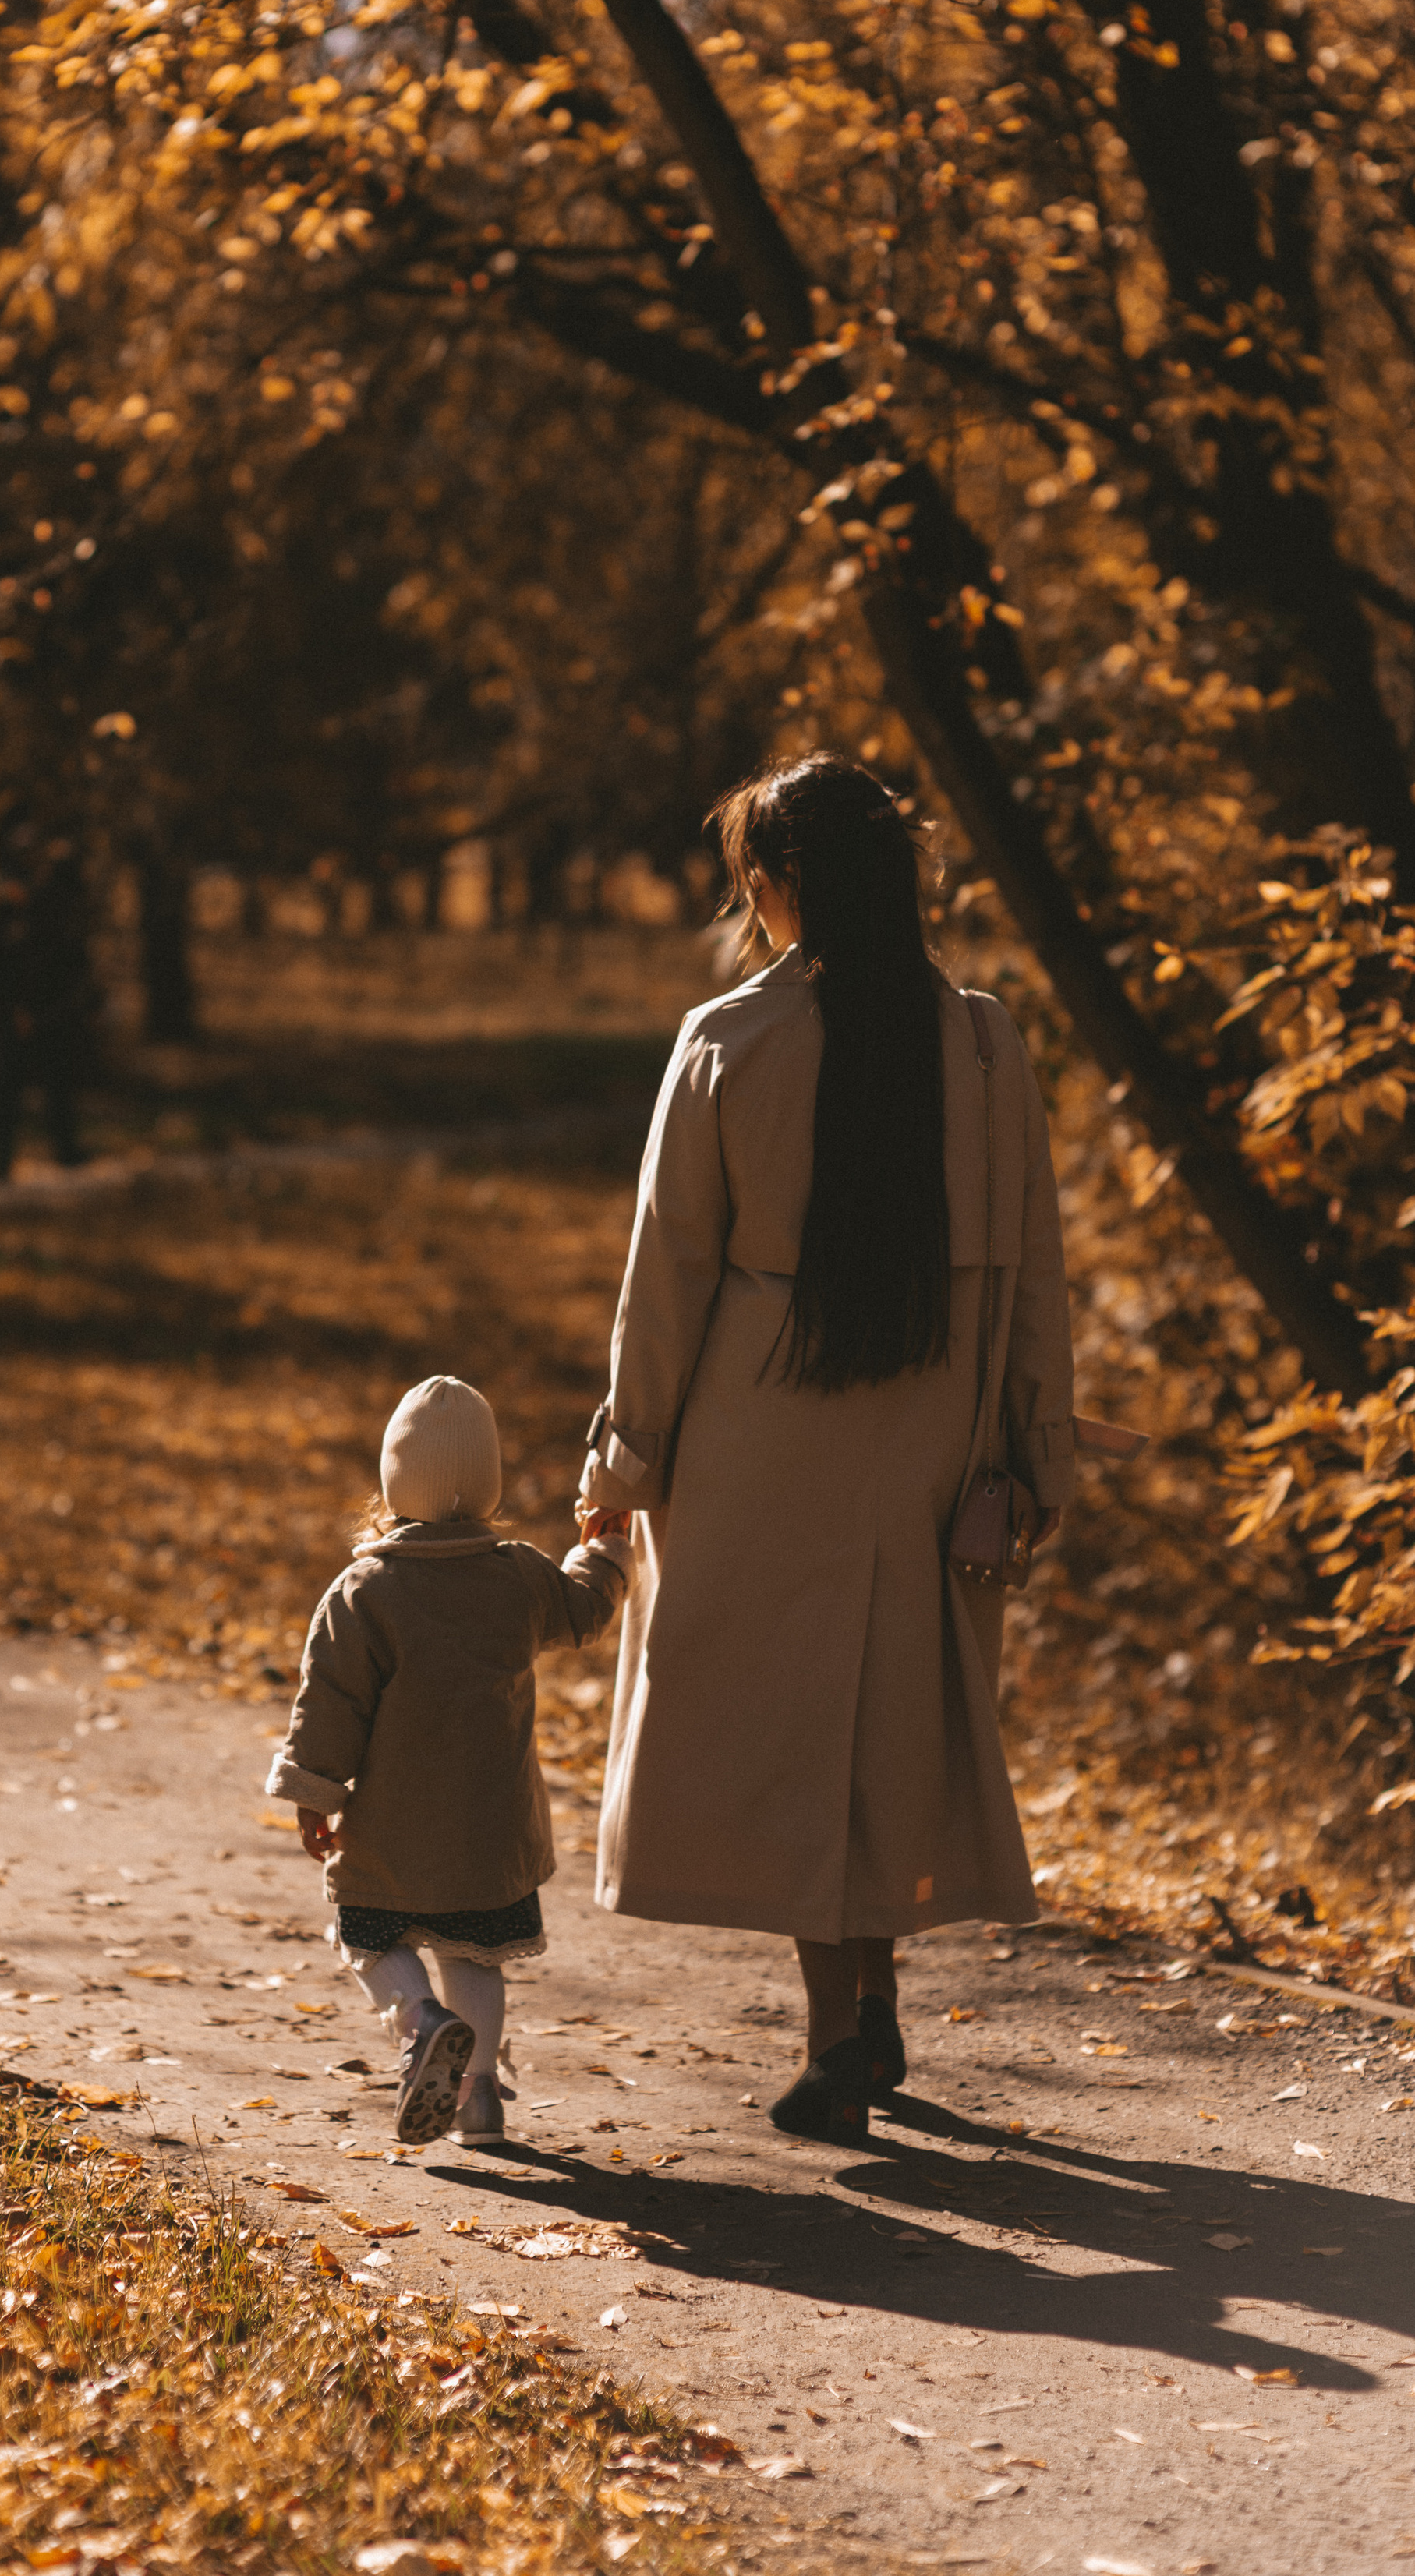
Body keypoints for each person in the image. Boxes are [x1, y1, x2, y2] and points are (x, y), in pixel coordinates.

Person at [577, 754, 1075, 2150]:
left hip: (758, 1426)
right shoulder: (981, 1040)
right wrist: (1038, 1450)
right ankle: (874, 2001)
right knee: (891, 1707)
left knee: (792, 1720)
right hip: (935, 1427)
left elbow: (668, 1273)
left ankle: (839, 2032)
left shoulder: (730, 1039)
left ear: (778, 883)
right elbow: (1035, 1264)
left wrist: (623, 1470)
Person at [267, 1376, 631, 2147]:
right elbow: (584, 1609)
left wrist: (313, 1795)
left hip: (391, 1828)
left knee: (369, 1938)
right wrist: (603, 1547)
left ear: (393, 1480)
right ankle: (478, 2099)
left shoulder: (365, 1589)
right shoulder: (519, 1576)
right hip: (488, 1833)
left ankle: (418, 2023)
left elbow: (331, 1701)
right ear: (489, 1483)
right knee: (475, 1954)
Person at [0, 820, 99, 1180]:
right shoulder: (4, 904)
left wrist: (76, 999)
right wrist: (8, 1007)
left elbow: (65, 954)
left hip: (49, 1005)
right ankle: (2, 1161)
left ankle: (66, 1150)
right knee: (10, 1084)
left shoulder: (49, 900)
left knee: (57, 1078)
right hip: (15, 1008)